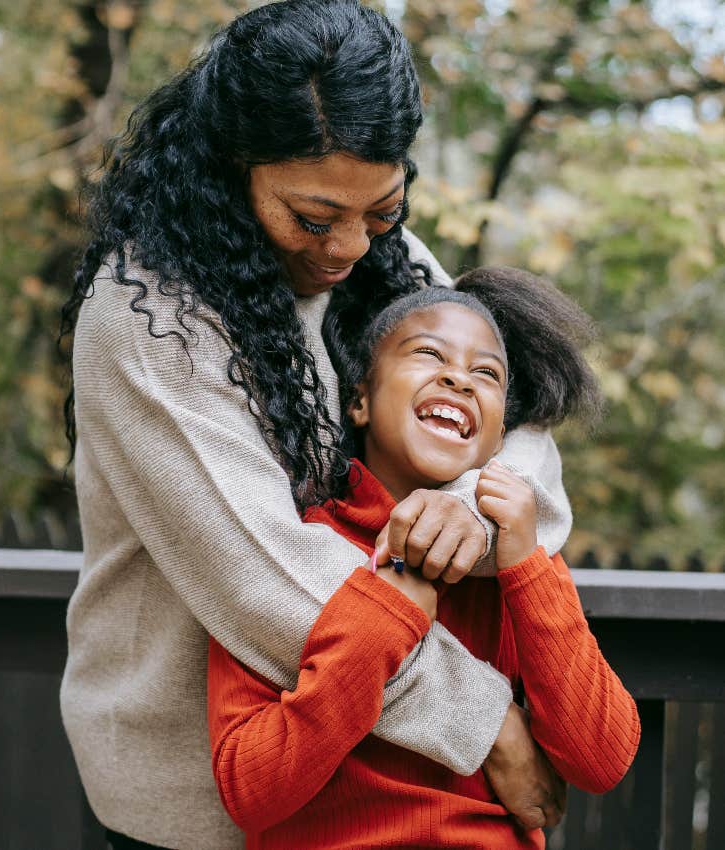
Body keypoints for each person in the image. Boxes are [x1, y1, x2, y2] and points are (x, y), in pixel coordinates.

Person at [59, 3, 572, 848]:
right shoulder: (146, 318)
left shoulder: (386, 259)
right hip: (204, 803)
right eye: (313, 218)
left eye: (382, 211)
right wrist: (488, 723)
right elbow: (271, 581)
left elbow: (522, 437)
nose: (347, 251)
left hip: (382, 796)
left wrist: (474, 512)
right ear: (232, 167)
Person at [208, 268, 641, 849]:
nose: (459, 379)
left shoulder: (517, 561)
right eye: (428, 354)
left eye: (485, 373)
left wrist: (529, 565)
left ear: (498, 437)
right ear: (359, 400)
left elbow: (601, 759)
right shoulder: (293, 549)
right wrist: (385, 613)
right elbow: (249, 792)